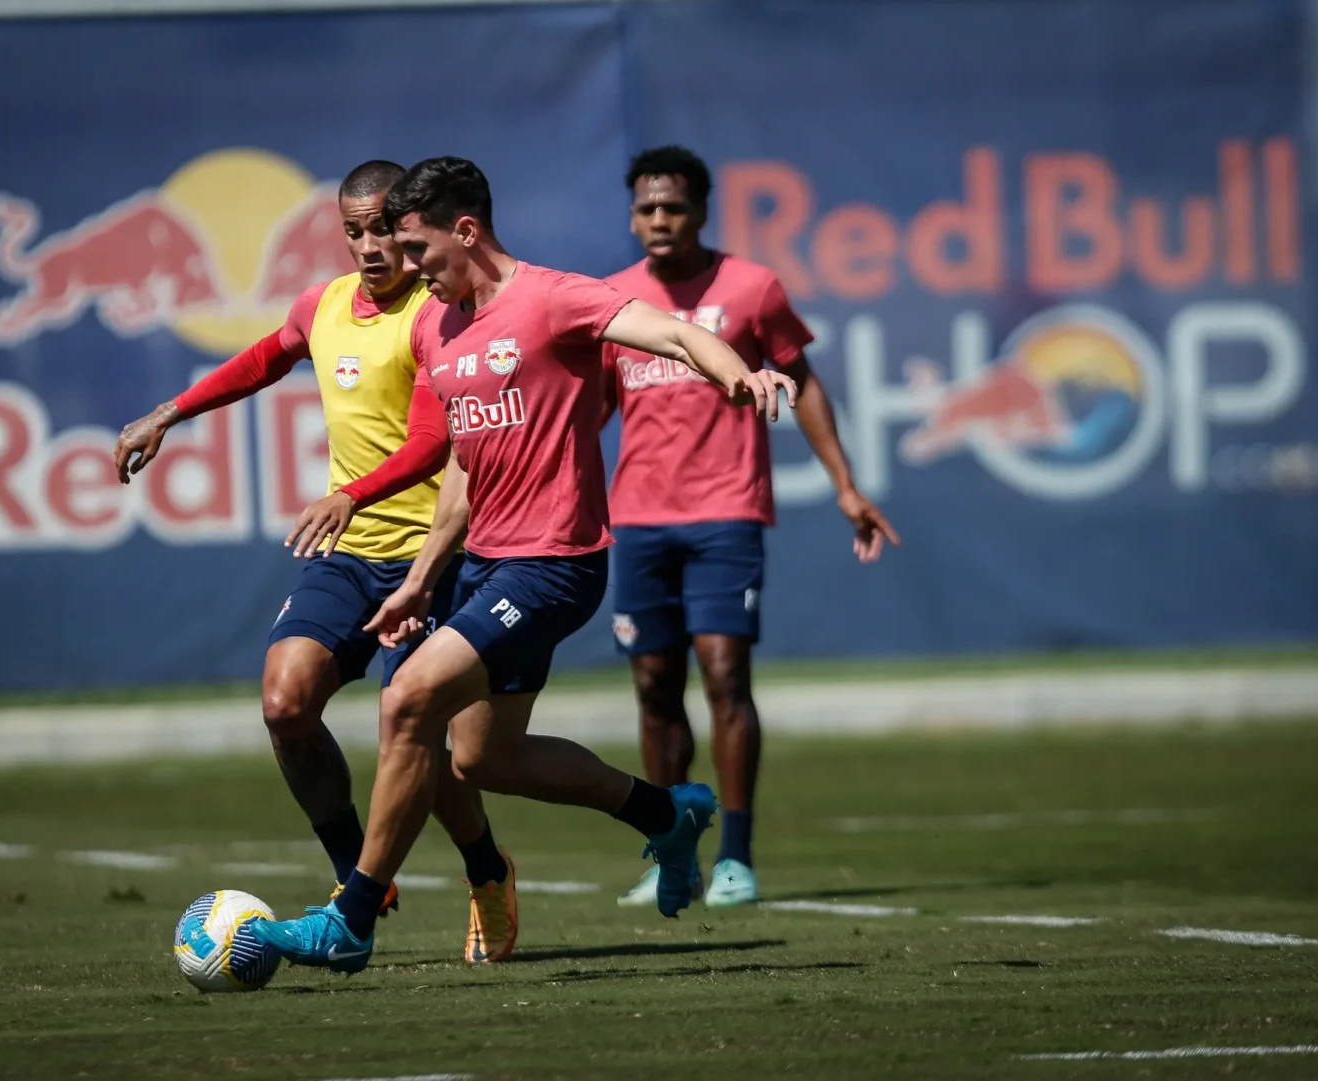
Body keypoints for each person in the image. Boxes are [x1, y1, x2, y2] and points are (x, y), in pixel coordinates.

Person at [251, 156, 797, 974]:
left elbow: (677, 333)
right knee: (484, 760)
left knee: (407, 701)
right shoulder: (440, 325)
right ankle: (665, 812)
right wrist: (418, 581)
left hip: (555, 564)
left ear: (465, 231)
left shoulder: (553, 299)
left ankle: (352, 916)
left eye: (418, 249)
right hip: (482, 564)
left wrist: (742, 374)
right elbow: (463, 471)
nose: (407, 268)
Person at [113, 160, 519, 966]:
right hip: (350, 553)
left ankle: (486, 869)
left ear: (411, 224)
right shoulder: (325, 304)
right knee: (284, 702)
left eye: (383, 230)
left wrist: (352, 492)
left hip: (432, 558)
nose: (371, 247)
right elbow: (265, 356)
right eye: (354, 231)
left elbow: (435, 440)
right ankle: (353, 870)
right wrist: (171, 411)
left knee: (417, 739)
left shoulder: (442, 315)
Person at [602, 146, 900, 909]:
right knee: (652, 686)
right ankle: (674, 851)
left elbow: (801, 383)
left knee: (726, 676)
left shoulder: (751, 288)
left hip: (726, 513)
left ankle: (735, 854)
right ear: (632, 216)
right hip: (637, 518)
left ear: (701, 211)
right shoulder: (613, 302)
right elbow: (587, 411)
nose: (659, 221)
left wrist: (845, 484)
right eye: (646, 208)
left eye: (673, 207)